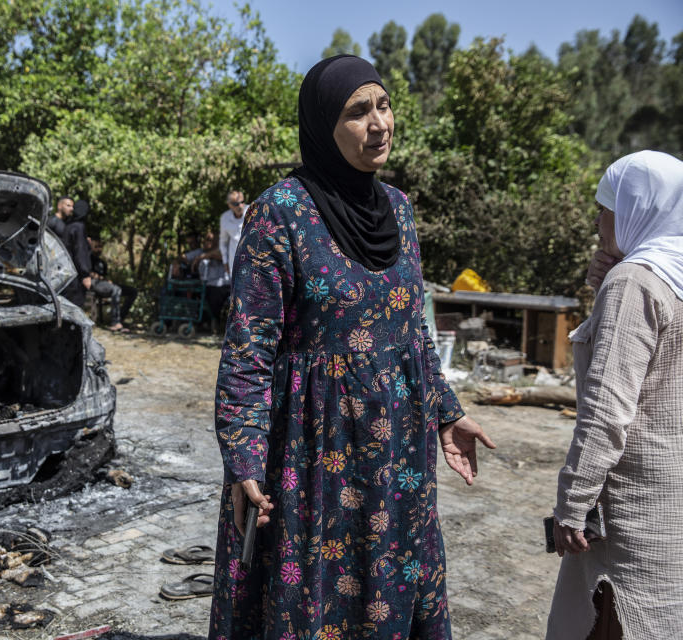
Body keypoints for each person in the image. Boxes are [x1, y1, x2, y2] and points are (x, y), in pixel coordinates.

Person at [209, 55, 495, 640]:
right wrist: (243, 458)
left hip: (396, 455)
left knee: (390, 585)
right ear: (322, 125)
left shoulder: (400, 211)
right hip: (313, 454)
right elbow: (248, 349)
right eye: (358, 111)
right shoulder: (279, 214)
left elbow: (413, 329)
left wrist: (447, 411)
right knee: (312, 597)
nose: (379, 123)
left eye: (384, 106)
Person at [547, 150, 683, 640]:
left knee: (611, 620)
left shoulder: (635, 283)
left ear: (633, 210)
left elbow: (607, 409)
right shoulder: (672, 274)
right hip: (671, 501)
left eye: (605, 210)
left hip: (631, 507)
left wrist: (573, 503)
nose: (600, 224)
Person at [89, 236, 137, 331]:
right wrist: (101, 278)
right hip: (94, 284)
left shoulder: (102, 262)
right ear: (91, 246)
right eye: (96, 246)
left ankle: (120, 319)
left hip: (104, 284)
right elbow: (88, 274)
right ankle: (115, 322)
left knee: (132, 291)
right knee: (116, 289)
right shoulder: (87, 258)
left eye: (100, 247)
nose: (99, 249)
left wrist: (106, 280)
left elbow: (104, 276)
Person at [62, 199, 92, 307]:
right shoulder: (79, 227)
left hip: (67, 274)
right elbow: (80, 251)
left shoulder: (69, 226)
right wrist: (85, 275)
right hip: (76, 277)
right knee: (76, 306)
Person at [218, 189, 247, 279]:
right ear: (229, 205)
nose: (240, 206)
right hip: (234, 262)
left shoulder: (252, 212)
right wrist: (225, 262)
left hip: (252, 260)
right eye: (236, 204)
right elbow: (223, 242)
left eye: (242, 202)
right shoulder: (225, 218)